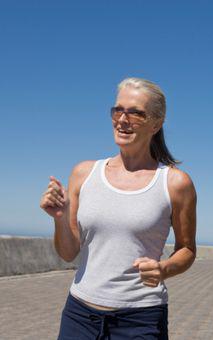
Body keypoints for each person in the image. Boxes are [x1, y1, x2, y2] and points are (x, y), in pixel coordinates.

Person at [40, 77, 197, 339]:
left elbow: (188, 249)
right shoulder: (83, 173)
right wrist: (59, 218)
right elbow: (68, 253)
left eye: (136, 113)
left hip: (140, 319)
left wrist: (164, 269)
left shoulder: (175, 183)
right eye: (118, 110)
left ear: (156, 124)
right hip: (79, 315)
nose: (123, 120)